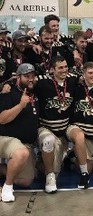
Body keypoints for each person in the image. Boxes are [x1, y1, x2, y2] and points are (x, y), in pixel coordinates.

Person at [36, 55, 77, 193]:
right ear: (52, 69)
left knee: (56, 168)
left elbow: (88, 78)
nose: (64, 70)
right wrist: (6, 85)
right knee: (48, 141)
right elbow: (24, 82)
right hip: (45, 128)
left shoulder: (72, 80)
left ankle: (41, 164)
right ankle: (49, 176)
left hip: (62, 132)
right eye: (60, 68)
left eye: (66, 67)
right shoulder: (42, 82)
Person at [66, 62, 93, 189]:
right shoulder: (75, 86)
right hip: (75, 127)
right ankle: (84, 175)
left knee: (87, 166)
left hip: (91, 131)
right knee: (79, 136)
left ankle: (73, 156)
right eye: (90, 73)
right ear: (83, 73)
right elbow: (66, 78)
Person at [0, 63, 39, 202]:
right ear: (18, 77)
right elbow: (2, 119)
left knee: (26, 180)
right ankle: (7, 187)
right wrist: (21, 105)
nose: (30, 79)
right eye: (26, 76)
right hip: (6, 138)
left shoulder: (34, 91)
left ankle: (3, 169)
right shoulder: (8, 92)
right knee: (21, 153)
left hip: (27, 143)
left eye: (32, 76)